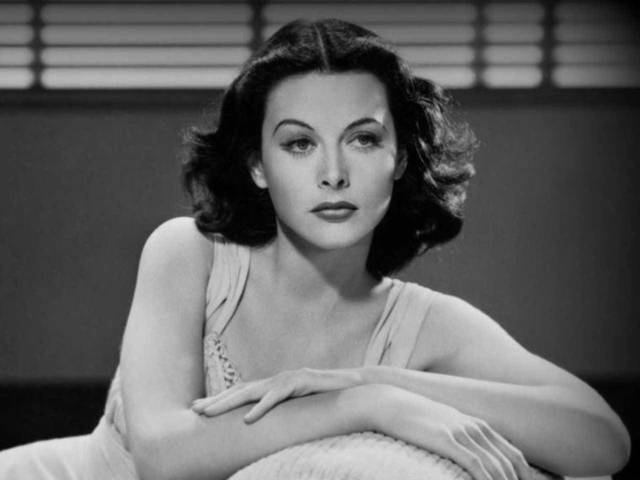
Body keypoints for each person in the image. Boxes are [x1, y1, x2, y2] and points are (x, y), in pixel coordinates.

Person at [0, 18, 630, 480]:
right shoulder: (188, 254)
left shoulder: (422, 323)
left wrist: (378, 377)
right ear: (257, 165)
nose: (333, 174)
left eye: (362, 139)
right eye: (299, 144)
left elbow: (602, 439)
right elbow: (164, 458)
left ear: (399, 159)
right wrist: (365, 404)